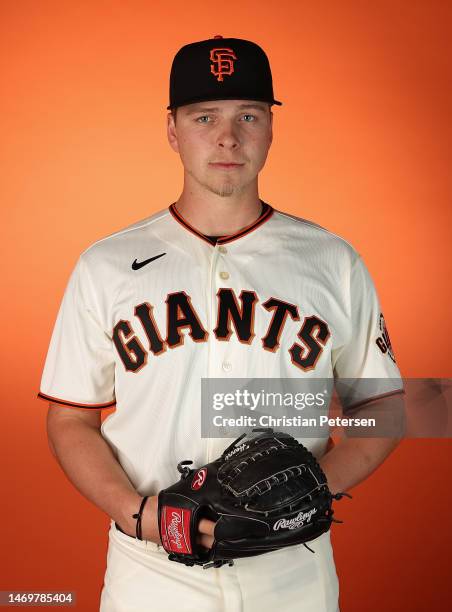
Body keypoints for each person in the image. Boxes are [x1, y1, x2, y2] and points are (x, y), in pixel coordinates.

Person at [38, 35, 404, 612]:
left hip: (294, 574)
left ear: (270, 130)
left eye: (248, 116)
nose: (228, 137)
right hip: (150, 574)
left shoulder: (333, 261)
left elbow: (382, 408)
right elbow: (70, 418)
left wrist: (306, 497)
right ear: (172, 129)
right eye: (204, 116)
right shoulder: (105, 265)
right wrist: (137, 514)